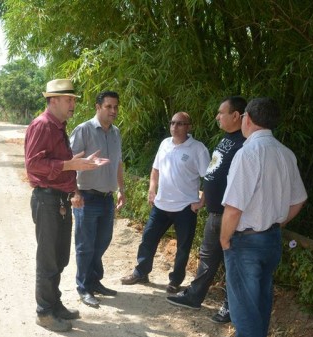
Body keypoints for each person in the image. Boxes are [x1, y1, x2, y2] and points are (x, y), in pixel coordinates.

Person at [210, 98, 307, 337]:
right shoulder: (285, 153)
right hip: (271, 240)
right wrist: (275, 221)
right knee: (261, 305)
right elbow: (299, 200)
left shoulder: (247, 152)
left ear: (247, 118)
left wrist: (225, 239)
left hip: (246, 242)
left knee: (243, 310)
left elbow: (234, 207)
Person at [25, 79, 109, 332]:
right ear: (53, 100)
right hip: (47, 200)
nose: (73, 104)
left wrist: (75, 173)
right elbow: (34, 165)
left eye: (73, 99)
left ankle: (55, 303)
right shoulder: (42, 125)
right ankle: (44, 312)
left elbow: (59, 163)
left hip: (59, 199)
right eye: (68, 99)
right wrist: (70, 165)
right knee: (48, 258)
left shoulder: (59, 126)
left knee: (60, 256)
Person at [166, 96, 246, 324]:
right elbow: (214, 172)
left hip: (231, 213)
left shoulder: (245, 142)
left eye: (221, 113)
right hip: (215, 211)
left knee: (233, 261)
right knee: (207, 258)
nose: (217, 117)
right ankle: (194, 296)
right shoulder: (227, 138)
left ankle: (231, 307)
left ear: (236, 115)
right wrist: (204, 198)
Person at [120, 112, 210, 293]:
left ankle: (175, 281)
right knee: (148, 239)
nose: (175, 127)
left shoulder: (198, 149)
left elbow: (208, 178)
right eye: (172, 123)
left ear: (189, 127)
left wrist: (202, 201)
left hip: (185, 207)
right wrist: (152, 189)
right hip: (161, 204)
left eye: (180, 124)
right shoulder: (164, 144)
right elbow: (155, 170)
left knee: (183, 247)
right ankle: (141, 272)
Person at [70, 91, 125, 307]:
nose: (113, 111)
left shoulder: (116, 133)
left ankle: (94, 281)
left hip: (107, 198)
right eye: (109, 106)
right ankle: (83, 287)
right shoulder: (83, 130)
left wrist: (121, 188)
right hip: (86, 197)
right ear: (98, 107)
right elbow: (70, 162)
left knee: (102, 241)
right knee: (85, 245)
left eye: (115, 107)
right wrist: (74, 192)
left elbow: (118, 163)